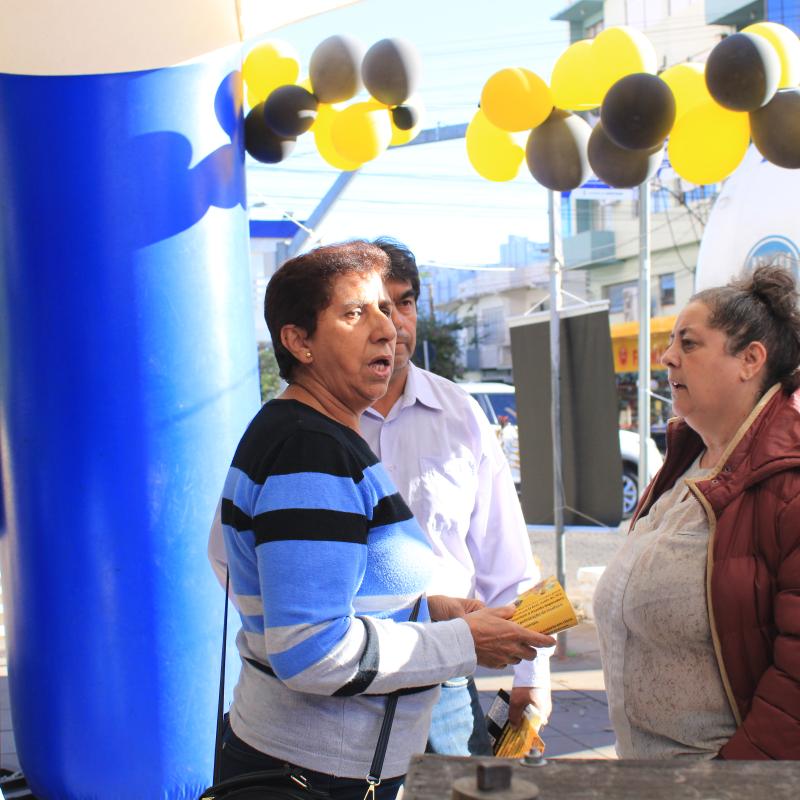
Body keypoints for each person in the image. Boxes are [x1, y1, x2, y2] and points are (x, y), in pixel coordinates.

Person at [216, 240, 555, 799]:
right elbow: (311, 651)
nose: (387, 329)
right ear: (299, 341)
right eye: (356, 313)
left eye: (389, 308)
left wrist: (428, 610)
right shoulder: (308, 447)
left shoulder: (318, 433)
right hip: (311, 776)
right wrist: (461, 641)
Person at [593, 264, 800, 760]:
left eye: (688, 344)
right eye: (670, 343)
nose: (667, 357)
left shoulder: (789, 484)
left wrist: (729, 779)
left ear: (750, 360)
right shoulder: (688, 458)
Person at [363, 238, 552, 755]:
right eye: (376, 307)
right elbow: (235, 561)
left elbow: (506, 558)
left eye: (404, 303)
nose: (394, 323)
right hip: (345, 681)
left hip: (445, 680)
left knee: (457, 787)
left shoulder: (460, 413)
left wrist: (531, 675)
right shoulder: (309, 423)